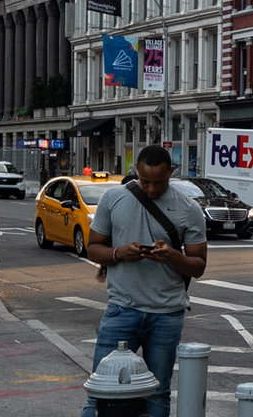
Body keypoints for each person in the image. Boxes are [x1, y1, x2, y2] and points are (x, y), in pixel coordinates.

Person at [80, 145, 208, 417]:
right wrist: (120, 253)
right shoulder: (113, 198)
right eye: (145, 181)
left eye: (159, 182)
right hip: (121, 310)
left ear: (171, 172)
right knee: (101, 392)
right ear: (136, 171)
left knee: (158, 393)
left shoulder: (189, 208)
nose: (151, 189)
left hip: (166, 314)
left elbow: (198, 266)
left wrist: (172, 255)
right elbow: (93, 248)